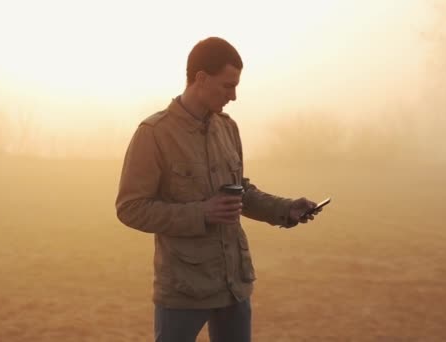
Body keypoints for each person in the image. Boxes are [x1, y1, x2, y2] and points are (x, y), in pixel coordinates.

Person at [115, 37, 322, 342]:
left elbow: (241, 193)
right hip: (184, 289)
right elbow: (130, 208)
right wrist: (201, 213)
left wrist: (284, 209)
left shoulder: (228, 128)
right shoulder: (154, 134)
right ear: (200, 78)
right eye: (227, 86)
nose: (234, 96)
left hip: (234, 285)